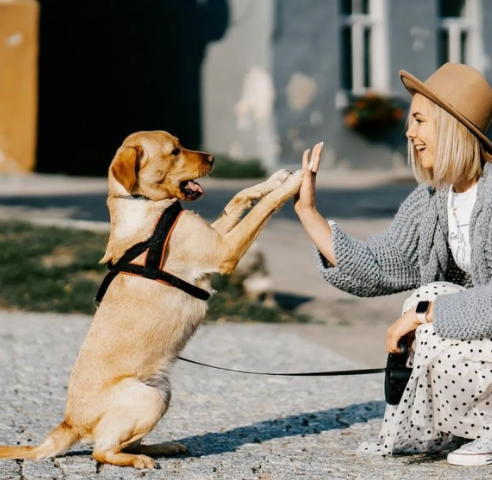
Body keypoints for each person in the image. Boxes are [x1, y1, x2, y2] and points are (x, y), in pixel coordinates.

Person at [294, 63, 492, 467]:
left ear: (453, 126)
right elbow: (380, 266)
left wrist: (426, 316)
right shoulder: (432, 200)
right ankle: (462, 426)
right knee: (425, 296)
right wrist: (310, 214)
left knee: (427, 308)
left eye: (420, 120)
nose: (410, 132)